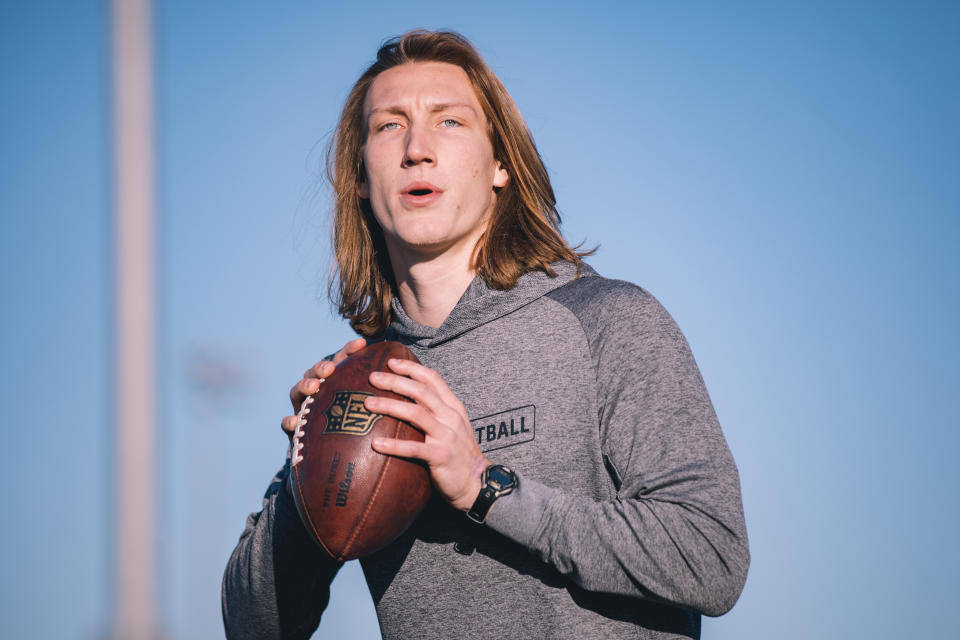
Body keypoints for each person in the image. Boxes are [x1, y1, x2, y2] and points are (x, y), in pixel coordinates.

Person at [223, 30, 749, 640]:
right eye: (390, 126)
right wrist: (305, 477)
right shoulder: (357, 384)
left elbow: (712, 558)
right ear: (361, 177)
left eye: (449, 122)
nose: (418, 148)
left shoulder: (609, 321)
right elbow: (251, 627)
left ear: (499, 163)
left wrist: (485, 488)